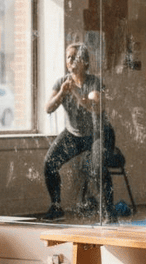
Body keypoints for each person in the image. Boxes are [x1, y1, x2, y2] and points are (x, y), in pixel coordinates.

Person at [42, 42, 117, 223]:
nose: (71, 60)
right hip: (73, 135)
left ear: (84, 61)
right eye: (68, 57)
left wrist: (75, 92)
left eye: (75, 57)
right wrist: (61, 93)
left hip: (99, 134)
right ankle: (56, 208)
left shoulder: (94, 82)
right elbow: (48, 108)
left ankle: (109, 215)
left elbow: (96, 107)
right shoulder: (61, 82)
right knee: (49, 163)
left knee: (98, 167)